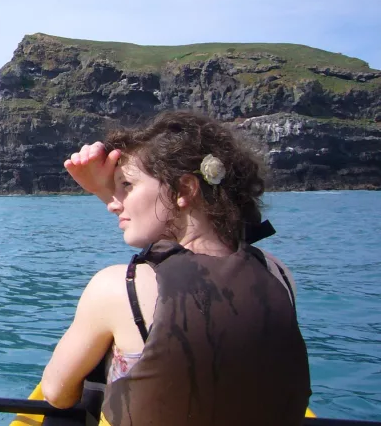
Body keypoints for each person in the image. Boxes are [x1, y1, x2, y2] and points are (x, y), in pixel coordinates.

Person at [39, 111, 311, 425]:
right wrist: (109, 190)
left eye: (126, 185)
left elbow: (57, 393)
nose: (114, 203)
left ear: (184, 190)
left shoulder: (117, 289)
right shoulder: (277, 273)